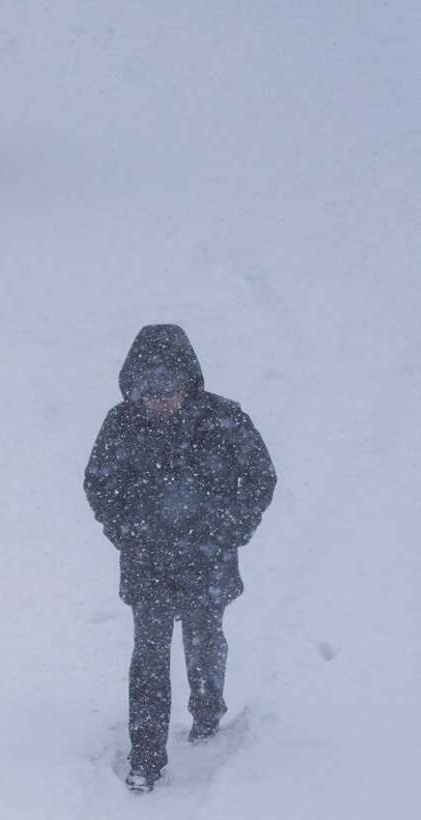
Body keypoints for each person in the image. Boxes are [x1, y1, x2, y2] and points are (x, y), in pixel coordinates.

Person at [84, 325, 276, 792]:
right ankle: (146, 759)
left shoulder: (225, 419)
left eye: (167, 387)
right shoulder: (120, 424)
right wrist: (128, 534)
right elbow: (99, 485)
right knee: (149, 655)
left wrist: (227, 532)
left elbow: (260, 479)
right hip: (147, 561)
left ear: (188, 381)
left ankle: (207, 714)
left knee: (204, 637)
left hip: (207, 561)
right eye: (147, 390)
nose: (158, 399)